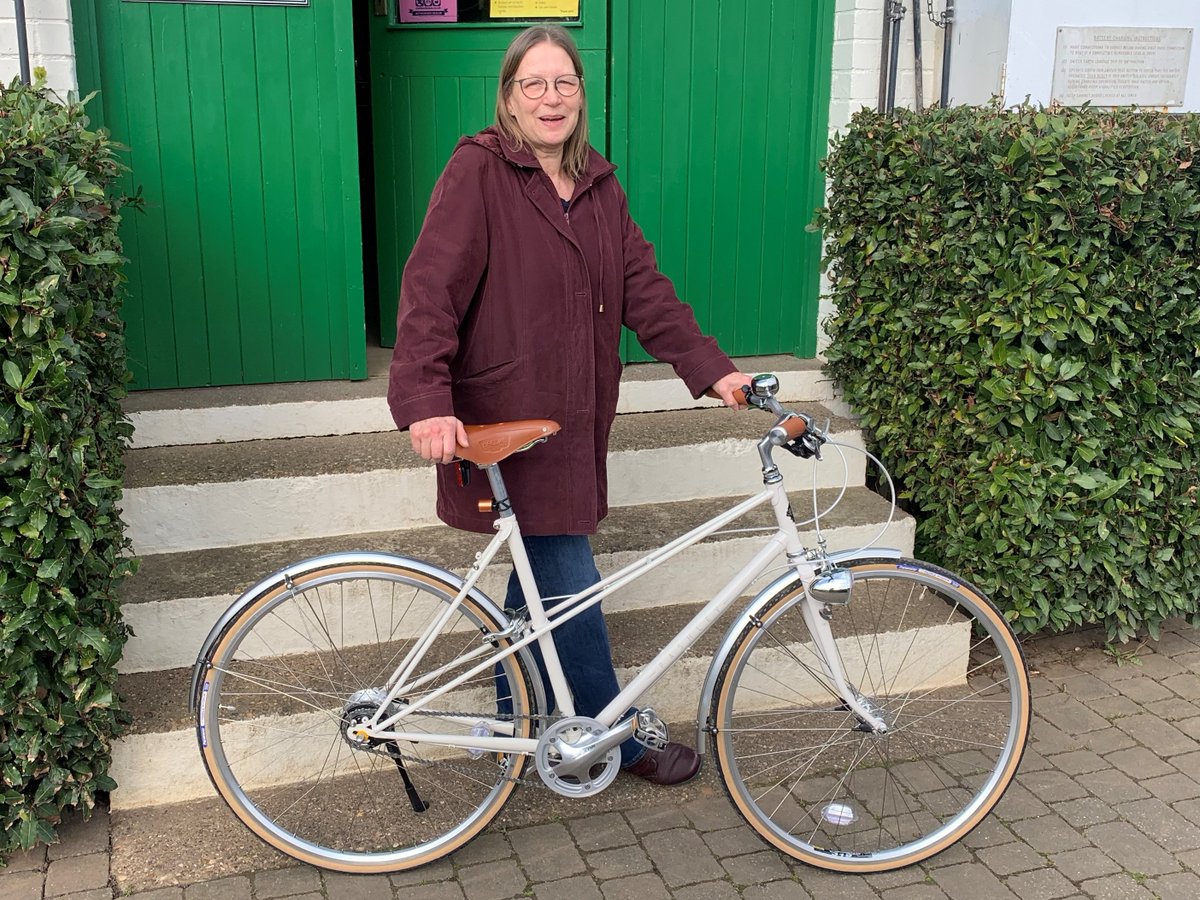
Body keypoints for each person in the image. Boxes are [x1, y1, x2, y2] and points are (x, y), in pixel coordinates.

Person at [388, 24, 750, 786]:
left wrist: (711, 369)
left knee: (538, 585)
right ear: (510, 98)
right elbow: (430, 288)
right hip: (508, 418)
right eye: (534, 85)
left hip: (575, 417)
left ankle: (508, 725)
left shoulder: (598, 186)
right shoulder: (478, 170)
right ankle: (615, 740)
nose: (551, 99)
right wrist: (425, 397)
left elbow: (646, 292)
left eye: (565, 84)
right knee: (569, 581)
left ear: (582, 97)